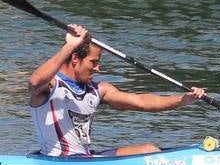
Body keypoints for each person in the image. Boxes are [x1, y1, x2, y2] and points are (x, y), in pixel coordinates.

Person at [29, 24, 206, 156]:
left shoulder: (98, 90)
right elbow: (35, 81)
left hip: (85, 158)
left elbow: (141, 102)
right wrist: (69, 46)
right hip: (61, 161)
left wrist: (182, 100)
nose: (98, 68)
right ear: (75, 58)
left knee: (149, 149)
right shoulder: (52, 85)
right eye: (94, 62)